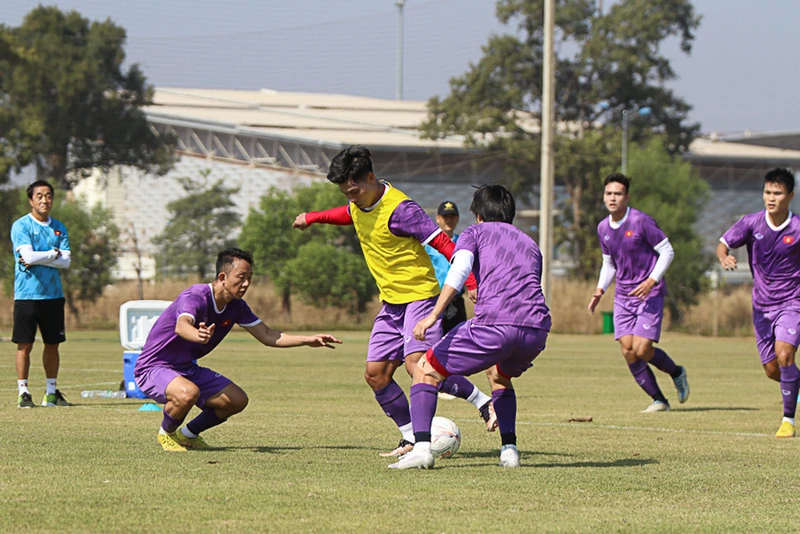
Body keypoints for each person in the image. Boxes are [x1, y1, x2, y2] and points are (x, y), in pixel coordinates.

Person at [293, 145, 497, 457]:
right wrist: (312, 217)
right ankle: (409, 437)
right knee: (375, 374)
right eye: (346, 192)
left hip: (421, 297)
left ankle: (483, 403)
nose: (351, 197)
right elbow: (346, 214)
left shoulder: (402, 210)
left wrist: (470, 282)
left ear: (371, 178)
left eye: (354, 190)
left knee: (418, 366)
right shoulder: (359, 204)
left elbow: (444, 244)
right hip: (392, 304)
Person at [389, 184, 551, 470]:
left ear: (478, 216)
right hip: (536, 330)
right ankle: (509, 450)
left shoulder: (474, 233)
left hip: (495, 325)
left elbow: (460, 268)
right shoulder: (529, 242)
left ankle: (423, 448)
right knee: (499, 375)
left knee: (425, 368)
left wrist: (433, 315)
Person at [134, 248, 342, 452]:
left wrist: (308, 339)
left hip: (185, 368)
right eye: (241, 277)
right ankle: (166, 434)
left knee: (236, 400)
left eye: (250, 278)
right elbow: (182, 325)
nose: (246, 284)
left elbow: (268, 335)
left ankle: (187, 435)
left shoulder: (237, 306)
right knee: (188, 393)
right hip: (153, 367)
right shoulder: (195, 296)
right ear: (223, 276)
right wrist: (198, 335)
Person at [587, 173, 689, 413]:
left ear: (627, 196)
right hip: (623, 296)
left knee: (642, 348)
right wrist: (600, 290)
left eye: (618, 194)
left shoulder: (641, 221)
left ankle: (677, 372)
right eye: (609, 193)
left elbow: (667, 251)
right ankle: (659, 400)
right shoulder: (603, 228)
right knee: (628, 350)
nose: (613, 198)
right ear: (604, 196)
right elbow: (609, 263)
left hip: (648, 294)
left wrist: (652, 281)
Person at [717, 168, 800, 438]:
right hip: (761, 307)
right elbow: (723, 243)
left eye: (777, 193)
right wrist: (724, 257)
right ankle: (795, 386)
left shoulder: (798, 228)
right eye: (767, 192)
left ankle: (788, 420)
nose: (771, 198)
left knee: (785, 353)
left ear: (790, 196)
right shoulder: (751, 223)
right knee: (772, 369)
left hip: (792, 302)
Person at [11, 180, 72, 408]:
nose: (44, 200)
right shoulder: (21, 226)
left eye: (48, 196)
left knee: (53, 344)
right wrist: (53, 254)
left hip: (53, 296)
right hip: (27, 296)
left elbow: (66, 262)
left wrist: (43, 256)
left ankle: (51, 392)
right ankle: (23, 392)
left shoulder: (58, 227)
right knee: (24, 345)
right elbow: (28, 257)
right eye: (39, 196)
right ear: (31, 200)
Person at [424, 201, 469, 334]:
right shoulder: (428, 246)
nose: (449, 220)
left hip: (456, 300)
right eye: (445, 217)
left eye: (452, 216)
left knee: (458, 341)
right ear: (438, 218)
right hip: (435, 298)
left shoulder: (464, 242)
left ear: (457, 219)